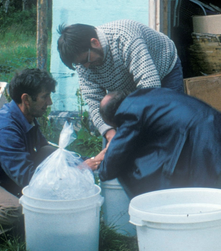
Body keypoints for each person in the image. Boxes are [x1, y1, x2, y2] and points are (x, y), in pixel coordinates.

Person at [56, 20, 183, 162]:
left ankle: (172, 165)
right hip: (126, 85)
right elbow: (94, 103)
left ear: (95, 42)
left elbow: (149, 87)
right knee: (117, 139)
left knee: (167, 124)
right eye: (80, 64)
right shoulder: (83, 62)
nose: (86, 66)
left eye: (86, 60)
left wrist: (133, 131)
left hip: (162, 70)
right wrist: (112, 136)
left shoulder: (124, 37)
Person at [86, 88, 221, 198]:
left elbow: (113, 162)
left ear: (114, 120)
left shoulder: (128, 113)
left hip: (219, 166)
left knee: (131, 168)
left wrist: (96, 168)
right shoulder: (150, 97)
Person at [0, 68, 57, 244]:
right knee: (14, 210)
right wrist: (59, 187)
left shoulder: (24, 116)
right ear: (26, 99)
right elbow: (26, 178)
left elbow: (44, 148)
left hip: (2, 178)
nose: (49, 102)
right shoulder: (6, 130)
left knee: (51, 153)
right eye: (45, 96)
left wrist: (83, 163)